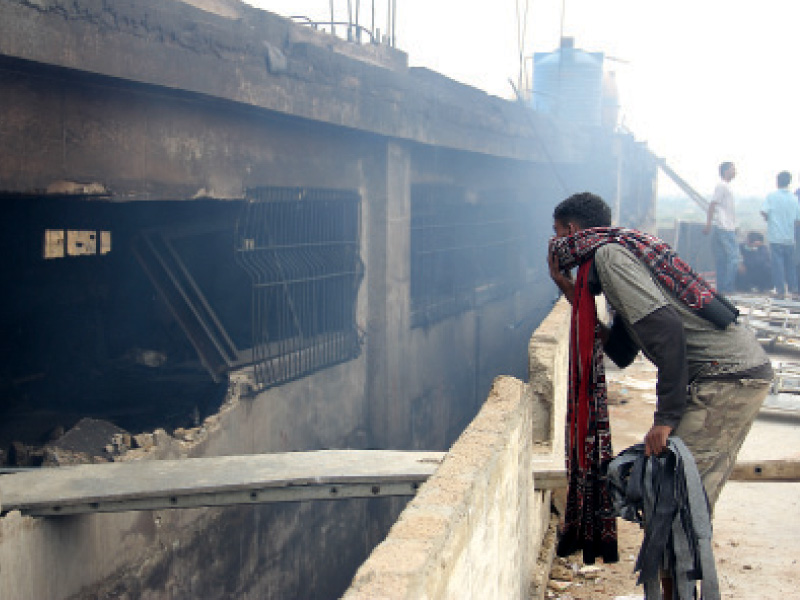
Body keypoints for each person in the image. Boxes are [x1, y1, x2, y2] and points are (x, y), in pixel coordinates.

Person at [547, 192, 772, 596]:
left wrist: (665, 418)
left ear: (571, 231)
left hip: (726, 379)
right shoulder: (615, 257)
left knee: (672, 504)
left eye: (557, 233)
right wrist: (565, 286)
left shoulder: (609, 258)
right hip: (725, 378)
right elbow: (622, 350)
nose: (556, 244)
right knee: (670, 501)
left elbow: (666, 331)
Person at [760, 171, 800, 298]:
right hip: (789, 238)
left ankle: (780, 290)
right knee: (790, 265)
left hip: (776, 237)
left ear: (777, 182)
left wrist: (770, 219)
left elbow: (764, 212)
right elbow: (798, 220)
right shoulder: (794, 199)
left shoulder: (772, 196)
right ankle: (793, 288)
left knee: (778, 266)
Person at [703, 162, 738, 293]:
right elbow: (712, 205)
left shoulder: (726, 187)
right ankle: (728, 288)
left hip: (726, 227)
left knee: (722, 259)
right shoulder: (722, 186)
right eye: (732, 169)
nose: (735, 172)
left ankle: (722, 289)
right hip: (724, 227)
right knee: (733, 258)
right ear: (725, 171)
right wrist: (708, 223)